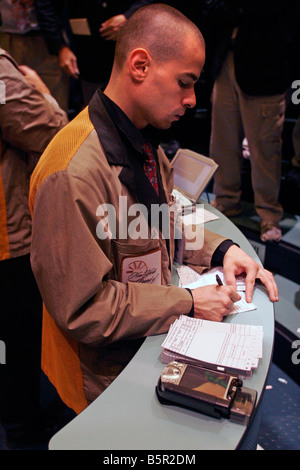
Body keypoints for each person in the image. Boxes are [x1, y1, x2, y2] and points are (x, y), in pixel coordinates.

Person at [29, 4, 278, 416]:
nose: (192, 99)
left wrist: (220, 251)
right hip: (100, 383)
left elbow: (155, 223)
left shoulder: (143, 140)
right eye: (184, 82)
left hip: (143, 346)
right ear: (140, 65)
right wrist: (187, 303)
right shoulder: (71, 174)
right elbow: (84, 310)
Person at [0, 48, 68, 447]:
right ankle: (23, 431)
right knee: (18, 343)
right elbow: (54, 130)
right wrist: (41, 90)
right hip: (7, 241)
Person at [207, 0, 299, 243]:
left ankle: (269, 214)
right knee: (222, 140)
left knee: (264, 148)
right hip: (227, 57)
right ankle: (226, 200)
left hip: (265, 65)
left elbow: (268, 10)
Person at [64, 0, 156, 105]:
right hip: (89, 53)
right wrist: (62, 45)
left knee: (130, 109)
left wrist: (129, 17)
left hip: (129, 50)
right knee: (93, 111)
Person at [0, 0, 77, 110]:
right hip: (7, 36)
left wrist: (60, 45)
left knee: (55, 105)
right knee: (6, 102)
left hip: (49, 39)